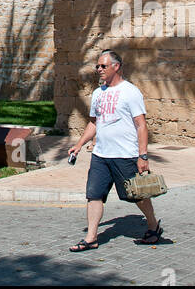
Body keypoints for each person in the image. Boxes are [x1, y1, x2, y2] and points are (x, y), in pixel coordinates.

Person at [68, 49, 163, 250]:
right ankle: (91, 238)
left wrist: (142, 155)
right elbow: (94, 123)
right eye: (97, 66)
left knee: (136, 194)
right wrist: (78, 145)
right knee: (94, 195)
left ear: (116, 66)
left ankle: (153, 225)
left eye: (103, 66)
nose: (99, 69)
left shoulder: (130, 92)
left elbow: (141, 125)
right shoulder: (97, 94)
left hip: (125, 155)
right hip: (101, 155)